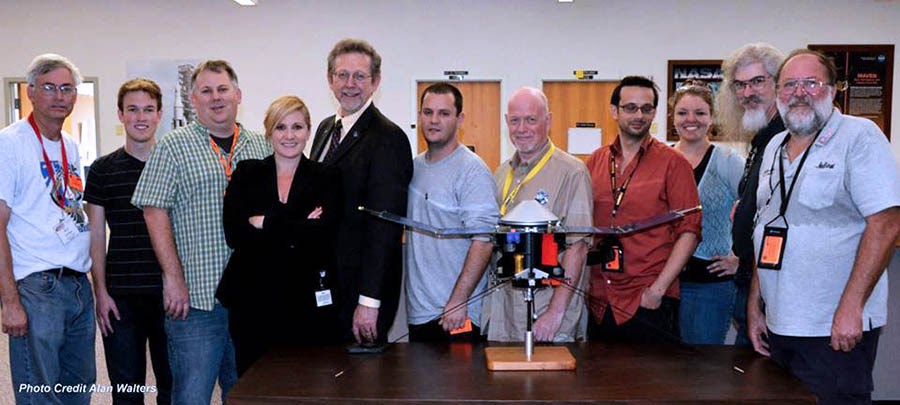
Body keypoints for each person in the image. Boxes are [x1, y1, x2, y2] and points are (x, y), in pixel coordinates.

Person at [748, 49, 900, 404]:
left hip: (831, 326)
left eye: (811, 83)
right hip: (781, 324)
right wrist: (756, 305)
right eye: (789, 84)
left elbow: (887, 222)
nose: (799, 93)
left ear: (833, 90)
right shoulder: (774, 146)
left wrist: (851, 308)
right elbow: (766, 228)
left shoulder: (860, 136)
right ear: (778, 92)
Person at [131, 60, 270, 403]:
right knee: (191, 396)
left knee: (248, 394)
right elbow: (154, 211)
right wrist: (173, 278)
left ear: (238, 95)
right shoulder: (172, 147)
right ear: (193, 99)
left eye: (223, 89)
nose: (216, 98)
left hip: (250, 300)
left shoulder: (261, 146)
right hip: (196, 300)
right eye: (206, 91)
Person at [216, 95, 342, 375]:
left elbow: (321, 238)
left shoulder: (327, 177)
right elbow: (235, 235)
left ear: (308, 131)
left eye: (297, 127)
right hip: (253, 303)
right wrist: (299, 225)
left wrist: (264, 222)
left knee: (304, 386)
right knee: (255, 387)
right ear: (269, 132)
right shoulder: (248, 173)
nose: (289, 135)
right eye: (280, 127)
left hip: (307, 305)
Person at [0, 53, 95, 404]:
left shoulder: (69, 145)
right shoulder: (9, 143)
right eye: (50, 87)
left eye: (67, 88)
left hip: (76, 286)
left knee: (77, 388)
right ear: (31, 92)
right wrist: (10, 301)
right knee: (40, 393)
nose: (59, 96)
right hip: (37, 285)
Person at [309, 38, 413, 345]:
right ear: (330, 79)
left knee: (360, 384)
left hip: (361, 292)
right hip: (327, 284)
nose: (350, 84)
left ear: (375, 82)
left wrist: (369, 302)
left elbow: (386, 226)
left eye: (359, 76)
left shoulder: (388, 138)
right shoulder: (326, 128)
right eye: (342, 75)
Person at [586, 76, 701, 344]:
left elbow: (690, 230)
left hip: (648, 301)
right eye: (630, 108)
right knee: (599, 385)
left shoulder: (673, 163)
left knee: (651, 386)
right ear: (614, 111)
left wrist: (658, 290)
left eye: (646, 109)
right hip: (599, 301)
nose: (639, 115)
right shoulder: (595, 161)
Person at [84, 78, 172, 404]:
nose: (141, 117)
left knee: (171, 384)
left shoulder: (172, 164)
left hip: (167, 294)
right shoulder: (102, 170)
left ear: (159, 114)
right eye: (132, 109)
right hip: (120, 297)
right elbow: (95, 236)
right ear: (120, 115)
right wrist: (100, 292)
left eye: (148, 109)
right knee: (126, 388)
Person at [484, 86, 592, 342]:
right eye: (515, 120)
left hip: (548, 316)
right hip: (505, 313)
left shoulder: (572, 172)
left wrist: (555, 313)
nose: (522, 128)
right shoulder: (501, 174)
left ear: (548, 120)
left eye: (531, 120)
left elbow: (578, 248)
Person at [405, 83, 499, 342]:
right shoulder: (414, 168)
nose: (434, 120)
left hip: (457, 314)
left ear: (460, 119)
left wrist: (458, 300)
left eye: (444, 114)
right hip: (421, 313)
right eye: (428, 112)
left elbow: (484, 240)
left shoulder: (472, 171)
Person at [716, 43, 785, 346]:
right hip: (752, 280)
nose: (747, 93)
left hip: (772, 288)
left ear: (778, 83)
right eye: (740, 85)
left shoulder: (787, 136)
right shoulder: (762, 137)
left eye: (757, 81)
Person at [670, 80, 744, 344]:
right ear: (673, 117)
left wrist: (740, 257)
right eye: (683, 113)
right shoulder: (662, 160)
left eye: (700, 113)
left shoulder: (727, 161)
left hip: (709, 284)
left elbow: (759, 209)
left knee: (700, 370)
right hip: (667, 284)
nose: (691, 120)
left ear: (711, 117)